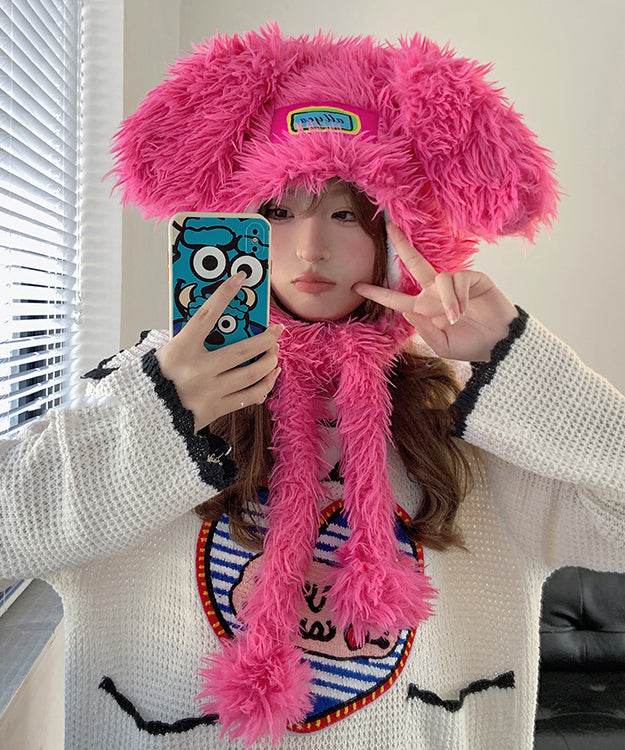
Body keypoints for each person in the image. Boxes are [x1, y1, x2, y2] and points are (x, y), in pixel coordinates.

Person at [1, 24, 624, 750]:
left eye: (346, 213)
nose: (310, 249)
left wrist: (510, 356)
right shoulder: (144, 390)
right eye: (278, 212)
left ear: (401, 235)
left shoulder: (472, 411)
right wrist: (166, 412)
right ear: (233, 222)